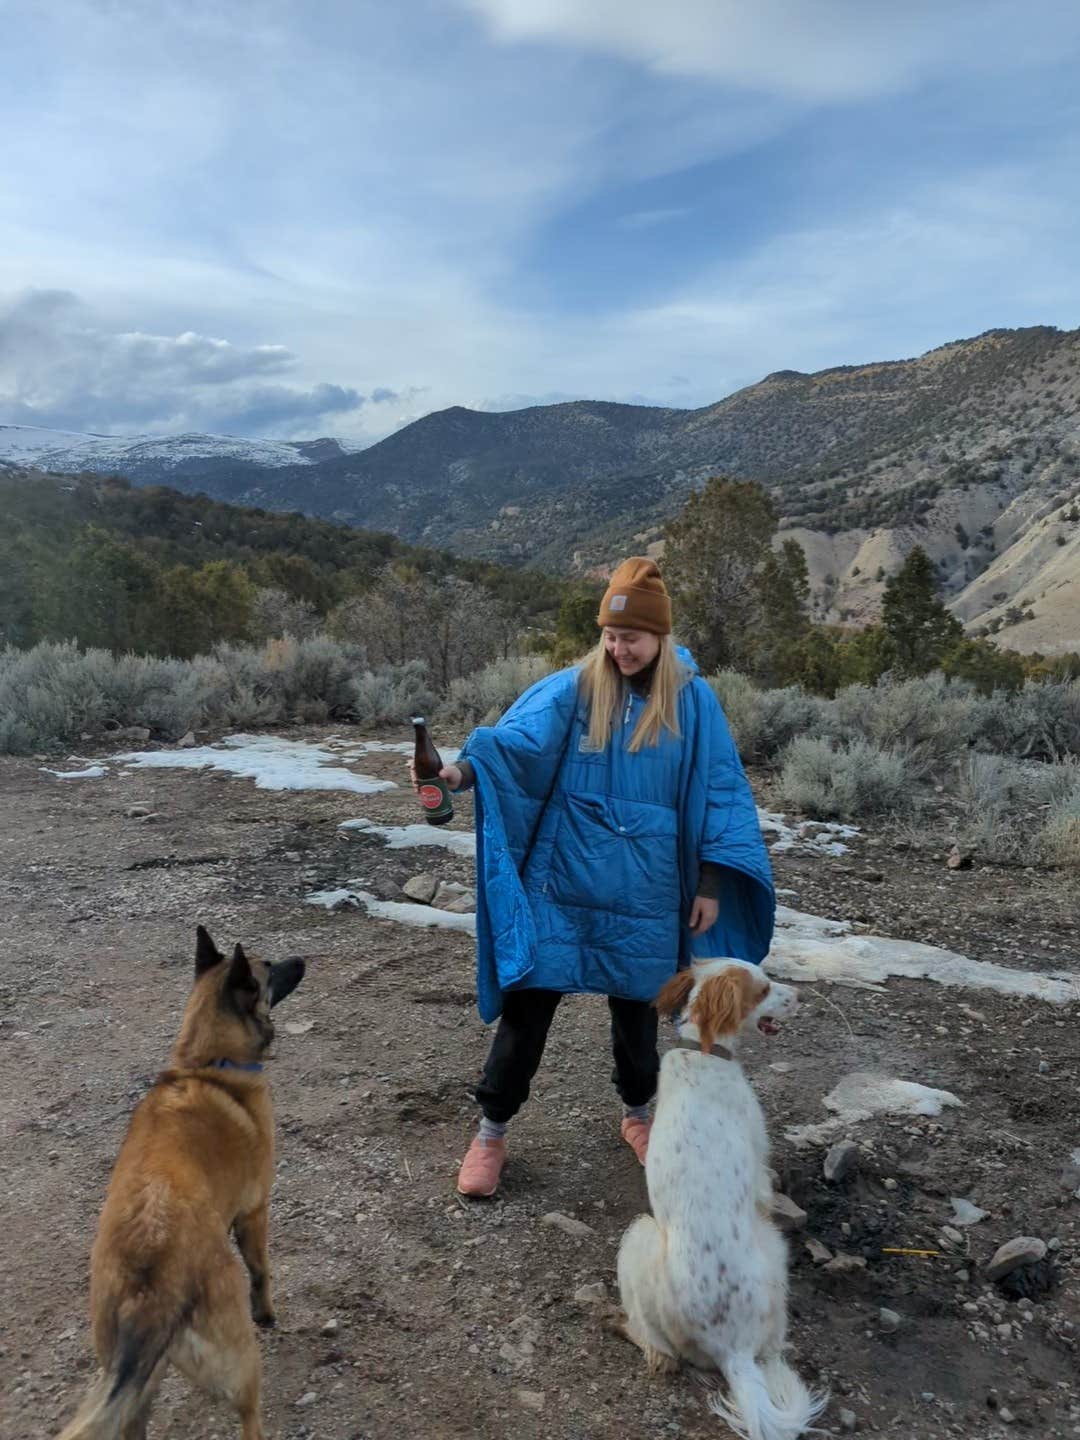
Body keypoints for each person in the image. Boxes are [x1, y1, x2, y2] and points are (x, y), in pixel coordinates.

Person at [429, 557, 774, 1197]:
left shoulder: (692, 701)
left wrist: (710, 886)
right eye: (610, 637)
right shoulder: (577, 686)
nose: (619, 649)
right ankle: (491, 1132)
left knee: (639, 1016)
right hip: (562, 881)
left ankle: (638, 1116)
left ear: (660, 637)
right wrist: (461, 773)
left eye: (632, 638)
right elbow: (516, 745)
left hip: (649, 890)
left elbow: (724, 792)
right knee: (528, 1011)